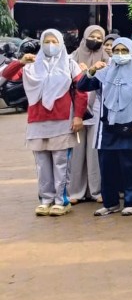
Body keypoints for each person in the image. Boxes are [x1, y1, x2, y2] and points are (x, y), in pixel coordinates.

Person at [78, 37, 132, 217]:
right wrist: (92, 70)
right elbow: (82, 86)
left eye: (124, 51)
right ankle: (110, 203)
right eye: (117, 51)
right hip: (107, 128)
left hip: (130, 128)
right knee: (107, 167)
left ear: (131, 52)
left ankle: (131, 202)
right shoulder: (105, 73)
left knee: (129, 167)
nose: (119, 54)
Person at [24, 29, 86, 216]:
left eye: (54, 41)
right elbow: (9, 76)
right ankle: (46, 200)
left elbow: (81, 90)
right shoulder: (32, 65)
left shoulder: (70, 64)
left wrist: (78, 116)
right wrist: (19, 62)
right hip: (37, 121)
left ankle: (61, 200)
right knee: (42, 164)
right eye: (46, 41)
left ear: (61, 43)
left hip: (62, 120)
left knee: (61, 163)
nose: (50, 45)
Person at [67, 25, 108, 204]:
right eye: (93, 36)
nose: (96, 40)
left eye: (99, 38)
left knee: (94, 152)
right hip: (76, 109)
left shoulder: (106, 58)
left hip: (98, 109)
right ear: (84, 37)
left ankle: (96, 190)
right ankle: (75, 191)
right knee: (77, 151)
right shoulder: (72, 58)